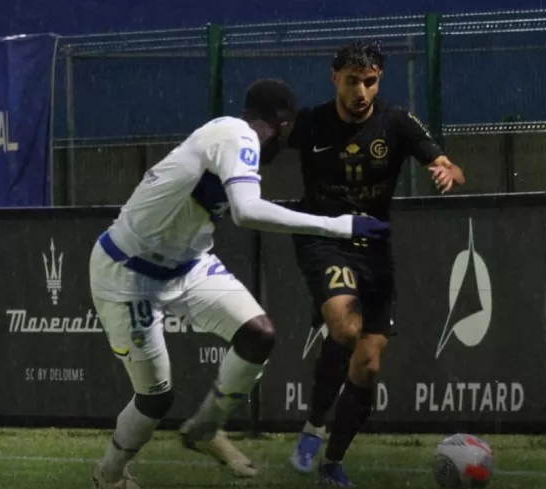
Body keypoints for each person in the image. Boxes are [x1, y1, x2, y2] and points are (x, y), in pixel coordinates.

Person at [88, 78, 391, 489]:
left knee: (258, 334)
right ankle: (109, 476)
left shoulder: (229, 139)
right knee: (156, 398)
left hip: (187, 266)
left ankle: (206, 428)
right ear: (283, 125)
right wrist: (337, 226)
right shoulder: (237, 135)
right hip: (128, 273)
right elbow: (246, 212)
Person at [285, 40, 466, 486]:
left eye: (369, 81)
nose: (361, 91)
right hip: (324, 240)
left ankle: (332, 462)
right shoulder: (310, 124)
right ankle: (314, 423)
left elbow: (449, 164)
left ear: (378, 80)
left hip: (374, 248)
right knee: (346, 328)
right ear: (335, 79)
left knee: (367, 365)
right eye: (352, 81)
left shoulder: (397, 123)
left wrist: (446, 170)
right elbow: (260, 139)